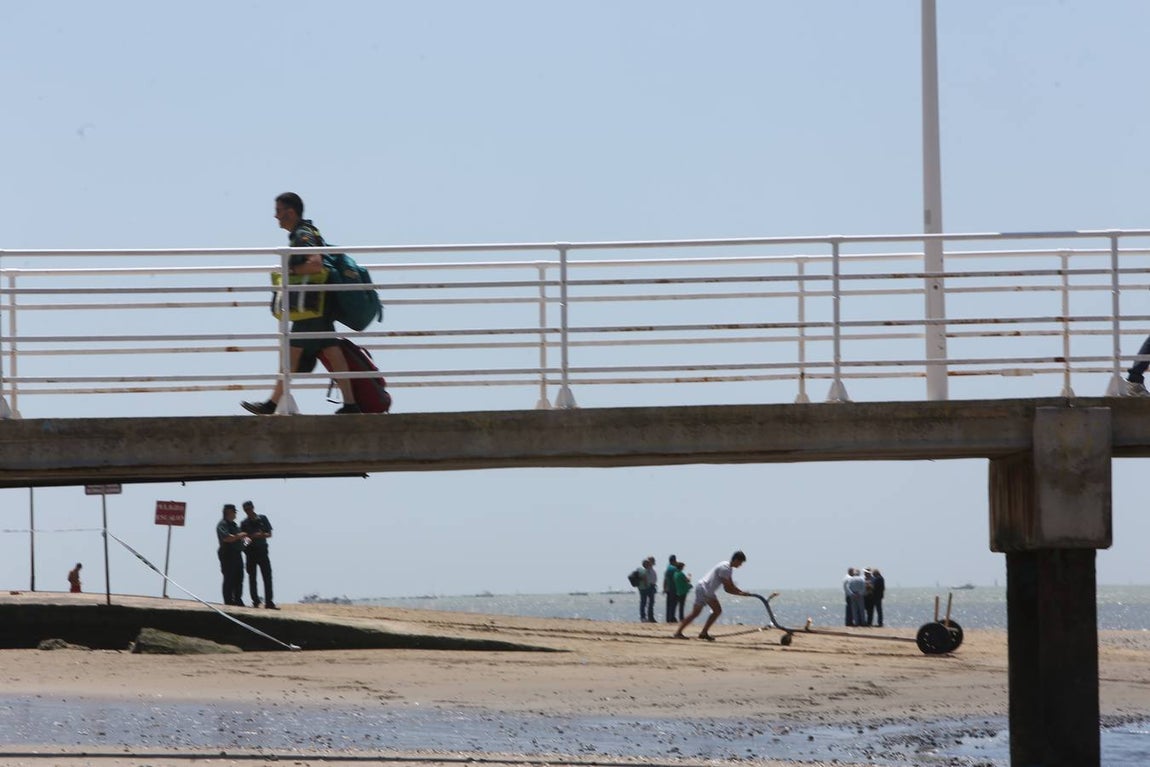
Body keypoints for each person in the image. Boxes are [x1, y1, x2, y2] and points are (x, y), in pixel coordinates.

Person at [241, 192, 359, 415]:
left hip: (311, 307)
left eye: (278, 211)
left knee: (292, 355)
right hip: (317, 305)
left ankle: (272, 403)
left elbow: (315, 264)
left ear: (291, 212)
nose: (276, 217)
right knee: (330, 353)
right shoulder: (305, 232)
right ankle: (351, 404)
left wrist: (289, 270)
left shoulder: (303, 235)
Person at [673, 550, 749, 641]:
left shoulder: (727, 566)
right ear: (736, 560)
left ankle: (702, 633)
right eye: (740, 562)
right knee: (699, 612)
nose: (740, 565)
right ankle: (680, 632)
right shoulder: (725, 569)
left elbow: (731, 585)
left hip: (706, 589)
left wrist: (741, 592)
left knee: (715, 611)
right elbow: (727, 588)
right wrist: (741, 594)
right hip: (704, 589)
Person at [240, 500, 276, 609]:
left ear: (253, 508)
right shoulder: (244, 523)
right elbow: (243, 541)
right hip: (251, 553)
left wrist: (259, 536)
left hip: (262, 551)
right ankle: (255, 601)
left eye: (249, 509)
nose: (248, 511)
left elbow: (269, 534)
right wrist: (249, 539)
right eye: (246, 510)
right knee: (252, 577)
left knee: (267, 576)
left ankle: (269, 602)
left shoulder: (262, 518)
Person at [216, 503, 248, 606]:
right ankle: (228, 601)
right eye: (234, 511)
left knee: (239, 577)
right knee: (229, 578)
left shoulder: (234, 525)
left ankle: (238, 599)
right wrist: (239, 536)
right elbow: (227, 538)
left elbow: (243, 540)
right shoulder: (222, 524)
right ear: (228, 512)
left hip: (237, 554)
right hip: (227, 554)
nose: (235, 514)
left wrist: (246, 541)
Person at [639, 557, 658, 623]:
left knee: (651, 603)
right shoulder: (645, 570)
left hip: (652, 587)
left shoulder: (651, 569)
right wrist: (647, 585)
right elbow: (645, 579)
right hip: (646, 587)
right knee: (644, 602)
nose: (652, 562)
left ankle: (651, 617)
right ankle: (643, 617)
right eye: (651, 560)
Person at [662, 554, 679, 623]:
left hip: (668, 588)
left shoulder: (668, 568)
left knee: (668, 604)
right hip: (674, 588)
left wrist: (664, 588)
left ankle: (668, 618)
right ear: (674, 560)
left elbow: (665, 579)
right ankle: (672, 617)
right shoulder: (674, 569)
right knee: (673, 604)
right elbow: (677, 579)